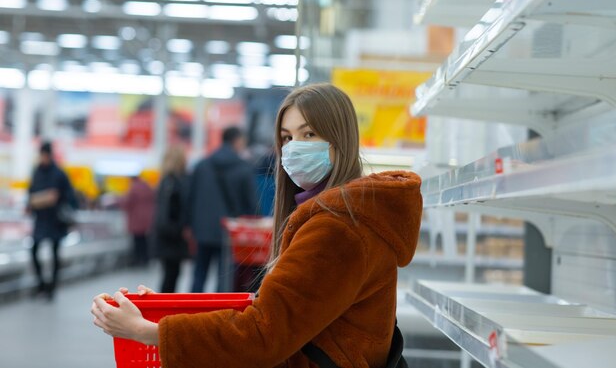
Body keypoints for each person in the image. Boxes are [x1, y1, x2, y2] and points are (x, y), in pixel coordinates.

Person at [92, 83, 423, 367]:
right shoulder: (346, 216)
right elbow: (284, 313)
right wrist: (168, 314)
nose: (294, 148)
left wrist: (147, 332)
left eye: (309, 134)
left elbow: (265, 333)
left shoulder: (337, 230)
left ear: (340, 140)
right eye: (287, 137)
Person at [187, 126, 257, 293]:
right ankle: (218, 312)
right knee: (224, 277)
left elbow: (190, 197)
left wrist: (190, 224)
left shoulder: (202, 166)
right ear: (237, 141)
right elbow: (252, 203)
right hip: (230, 231)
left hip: (202, 229)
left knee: (199, 275)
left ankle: (191, 312)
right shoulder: (243, 168)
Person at [27, 141, 77, 300]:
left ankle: (52, 288)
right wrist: (30, 204)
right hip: (41, 219)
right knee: (34, 250)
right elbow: (31, 191)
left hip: (56, 220)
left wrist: (58, 197)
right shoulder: (37, 172)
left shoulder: (59, 174)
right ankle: (41, 284)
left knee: (55, 253)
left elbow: (71, 197)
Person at [152, 145, 188, 293]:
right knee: (171, 275)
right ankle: (164, 310)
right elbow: (172, 211)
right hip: (172, 236)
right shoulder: (175, 182)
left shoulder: (165, 181)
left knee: (169, 274)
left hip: (165, 235)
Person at [119, 174, 155, 267]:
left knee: (137, 240)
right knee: (145, 240)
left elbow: (128, 203)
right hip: (147, 218)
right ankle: (146, 259)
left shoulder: (133, 188)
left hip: (136, 218)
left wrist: (119, 202)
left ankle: (138, 259)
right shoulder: (147, 186)